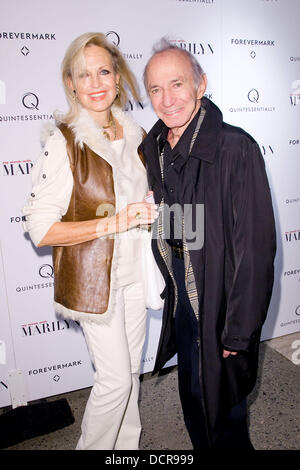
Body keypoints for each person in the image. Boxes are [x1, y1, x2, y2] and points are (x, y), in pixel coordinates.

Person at [23, 32, 158, 450]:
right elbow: (40, 229)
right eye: (85, 75)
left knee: (128, 376)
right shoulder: (65, 143)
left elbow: (140, 200)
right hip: (97, 284)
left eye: (104, 71)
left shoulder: (137, 136)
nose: (96, 83)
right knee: (115, 381)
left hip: (137, 273)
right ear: (71, 83)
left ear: (118, 77)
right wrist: (112, 223)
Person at [140, 39, 276, 449]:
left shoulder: (236, 148)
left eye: (177, 83)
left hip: (222, 311)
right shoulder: (157, 149)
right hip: (185, 305)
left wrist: (237, 332)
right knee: (195, 407)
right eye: (156, 90)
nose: (167, 99)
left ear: (201, 84)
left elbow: (254, 249)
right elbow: (192, 229)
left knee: (225, 417)